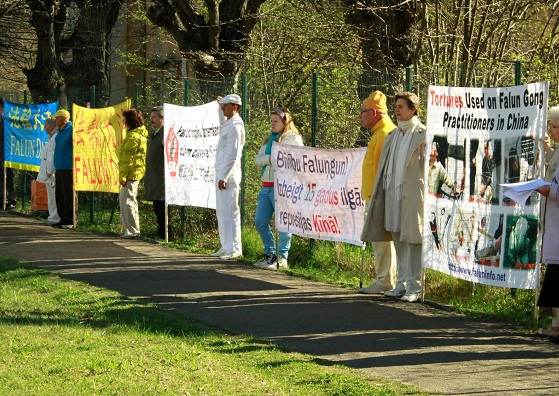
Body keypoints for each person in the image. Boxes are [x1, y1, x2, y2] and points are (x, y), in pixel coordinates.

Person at [361, 92, 426, 303]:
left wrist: (432, 160)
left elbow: (433, 165)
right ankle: (401, 284)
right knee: (398, 239)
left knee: (414, 240)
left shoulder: (424, 134)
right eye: (396, 106)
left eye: (401, 106)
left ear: (413, 109)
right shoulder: (393, 135)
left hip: (413, 195)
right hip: (393, 193)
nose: (397, 110)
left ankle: (415, 287)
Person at [356, 91, 397, 294]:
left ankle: (385, 281)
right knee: (381, 242)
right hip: (375, 196)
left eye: (363, 112)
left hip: (379, 197)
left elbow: (383, 171)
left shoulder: (383, 134)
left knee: (382, 242)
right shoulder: (381, 132)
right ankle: (385, 279)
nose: (360, 116)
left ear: (374, 112)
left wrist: (377, 198)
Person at [253, 108, 303, 270]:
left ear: (285, 122)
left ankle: (282, 257)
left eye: (276, 121)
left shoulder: (293, 139)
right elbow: (257, 160)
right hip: (266, 186)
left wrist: (273, 160)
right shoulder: (269, 139)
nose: (272, 124)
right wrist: (270, 159)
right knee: (260, 221)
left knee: (283, 223)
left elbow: (297, 160)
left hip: (282, 187)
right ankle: (270, 255)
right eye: (271, 121)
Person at [535, 105, 559, 340]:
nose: (550, 130)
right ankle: (556, 324)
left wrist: (549, 191)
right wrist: (547, 149)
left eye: (553, 126)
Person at [212, 94, 245, 259]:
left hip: (229, 175)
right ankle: (225, 245)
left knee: (231, 210)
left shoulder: (236, 126)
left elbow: (233, 154)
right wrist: (220, 106)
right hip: (221, 172)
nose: (222, 108)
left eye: (225, 105)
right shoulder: (228, 123)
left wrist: (224, 176)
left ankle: (234, 248)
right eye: (222, 105)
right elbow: (220, 122)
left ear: (235, 107)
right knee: (222, 210)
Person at [118, 109, 148, 239]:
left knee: (127, 202)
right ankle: (132, 230)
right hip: (134, 173)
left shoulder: (133, 137)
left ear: (130, 120)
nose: (123, 121)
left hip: (130, 175)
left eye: (125, 119)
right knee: (129, 201)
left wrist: (123, 176)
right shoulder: (138, 135)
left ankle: (132, 231)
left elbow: (127, 159)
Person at [144, 106, 166, 239]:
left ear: (162, 118)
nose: (151, 120)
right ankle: (160, 233)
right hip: (154, 177)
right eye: (151, 117)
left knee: (162, 208)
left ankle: (164, 234)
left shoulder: (164, 134)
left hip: (161, 178)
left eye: (154, 117)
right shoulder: (155, 134)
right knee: (157, 207)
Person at [52, 109, 74, 229]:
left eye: (57, 118)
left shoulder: (71, 130)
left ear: (64, 118)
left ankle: (70, 219)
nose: (55, 120)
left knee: (68, 194)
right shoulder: (59, 131)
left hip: (68, 167)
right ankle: (63, 218)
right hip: (59, 167)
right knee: (59, 194)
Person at [36, 117, 60, 225]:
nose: (45, 127)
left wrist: (50, 171)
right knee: (51, 196)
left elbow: (51, 156)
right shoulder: (52, 137)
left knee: (54, 196)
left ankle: (55, 217)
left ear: (52, 125)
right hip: (50, 172)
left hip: (52, 173)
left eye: (46, 125)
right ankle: (52, 216)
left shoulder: (55, 137)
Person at [0, 98, 16, 210]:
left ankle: (11, 200)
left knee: (9, 176)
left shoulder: (9, 121)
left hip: (9, 153)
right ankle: (1, 199)